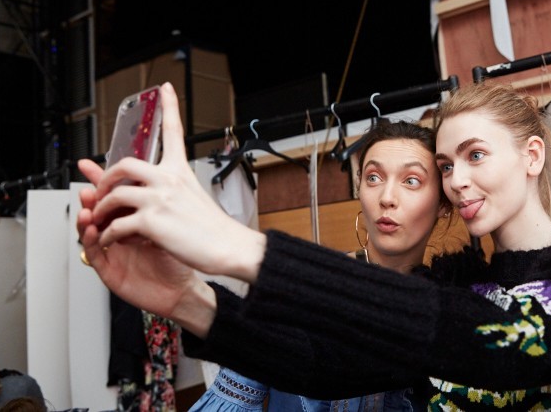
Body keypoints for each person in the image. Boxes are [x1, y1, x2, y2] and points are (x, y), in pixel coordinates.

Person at [77, 81, 551, 411]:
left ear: (533, 155)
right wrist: (187, 298)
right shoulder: (458, 288)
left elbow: (492, 339)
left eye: (476, 155)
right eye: (447, 165)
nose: (458, 180)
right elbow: (320, 367)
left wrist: (237, 246)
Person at [189, 119, 453, 411]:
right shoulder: (300, 291)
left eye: (411, 181)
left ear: (443, 203)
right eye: (373, 178)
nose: (387, 198)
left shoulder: (451, 315)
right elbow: (232, 397)